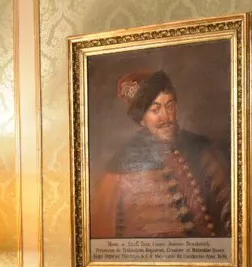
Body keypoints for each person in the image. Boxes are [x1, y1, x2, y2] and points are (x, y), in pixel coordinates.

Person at [89, 70, 231, 239]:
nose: (166, 117)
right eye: (155, 110)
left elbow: (232, 211)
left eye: (169, 106)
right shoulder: (117, 172)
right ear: (142, 119)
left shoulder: (203, 150)